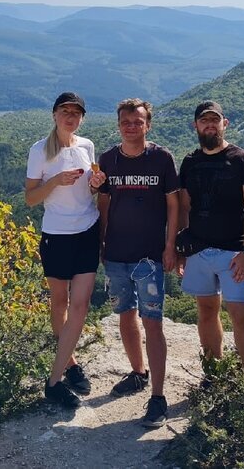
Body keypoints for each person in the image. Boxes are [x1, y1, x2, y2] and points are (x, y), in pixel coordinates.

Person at [97, 98, 180, 428]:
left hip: (149, 257)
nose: (132, 126)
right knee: (124, 315)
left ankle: (158, 398)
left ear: (148, 124)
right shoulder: (108, 159)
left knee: (153, 322)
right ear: (118, 125)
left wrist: (171, 244)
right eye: (126, 122)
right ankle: (138, 373)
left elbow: (173, 205)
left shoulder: (161, 158)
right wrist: (100, 242)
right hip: (116, 255)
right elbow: (103, 202)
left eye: (138, 121)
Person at [25, 92, 106, 409]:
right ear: (54, 115)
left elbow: (88, 190)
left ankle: (54, 380)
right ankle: (71, 363)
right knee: (59, 301)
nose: (70, 117)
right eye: (65, 111)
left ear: (82, 118)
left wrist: (96, 184)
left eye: (76, 113)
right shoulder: (40, 151)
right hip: (56, 235)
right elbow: (31, 198)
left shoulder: (86, 146)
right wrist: (56, 180)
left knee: (81, 305)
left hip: (87, 230)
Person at [177, 100, 244, 374]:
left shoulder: (243, 160)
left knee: (240, 315)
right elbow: (184, 206)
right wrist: (181, 248)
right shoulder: (190, 162)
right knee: (205, 311)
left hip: (233, 252)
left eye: (215, 120)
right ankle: (213, 373)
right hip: (198, 250)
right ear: (196, 126)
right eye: (204, 120)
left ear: (224, 124)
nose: (210, 125)